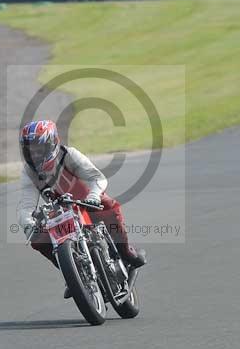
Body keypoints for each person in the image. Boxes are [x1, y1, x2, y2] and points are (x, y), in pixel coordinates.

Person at [17, 120, 147, 297]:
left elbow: (97, 178)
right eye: (30, 150)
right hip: (60, 212)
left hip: (86, 202)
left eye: (39, 148)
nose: (35, 154)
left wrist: (94, 196)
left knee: (109, 205)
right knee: (38, 239)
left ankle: (126, 250)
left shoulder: (68, 154)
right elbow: (26, 206)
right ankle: (72, 274)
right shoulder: (29, 173)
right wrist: (28, 223)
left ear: (52, 143)